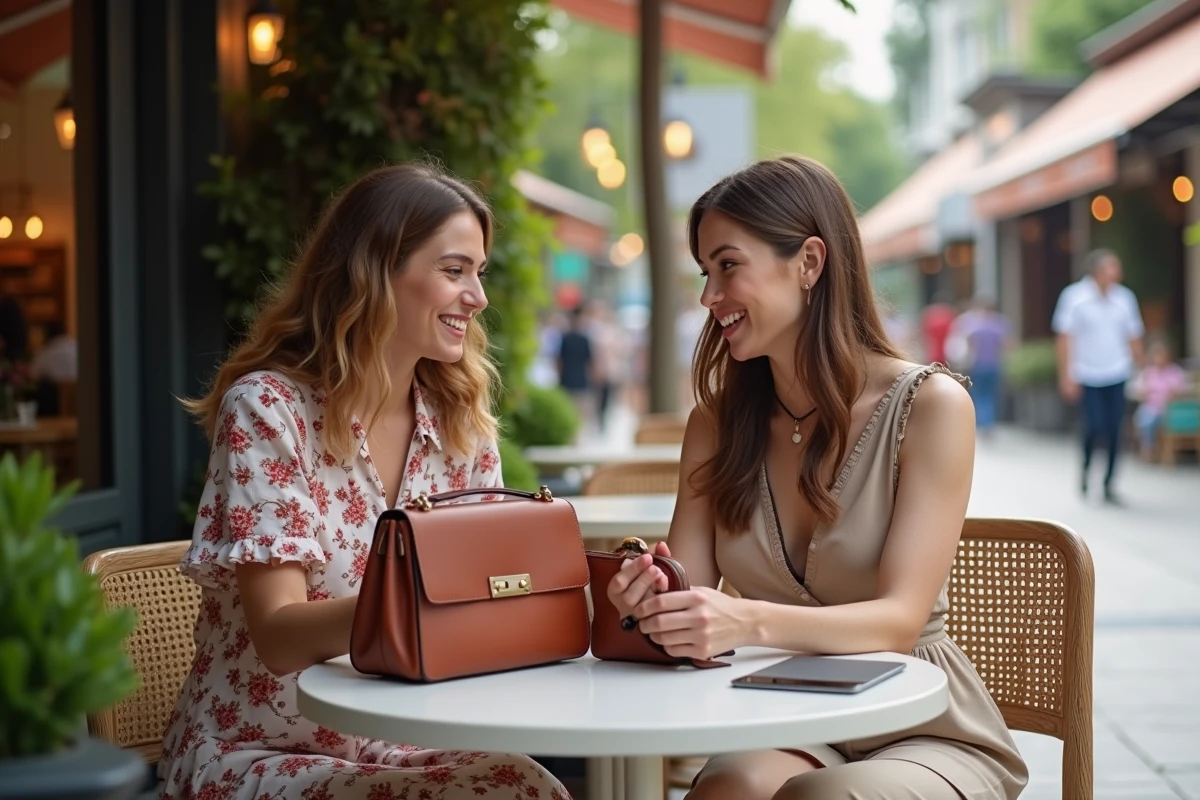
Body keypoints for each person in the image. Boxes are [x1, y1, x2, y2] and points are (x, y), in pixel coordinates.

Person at [606, 156, 1026, 800]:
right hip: (784, 719)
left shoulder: (932, 408)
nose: (708, 296)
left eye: (727, 265)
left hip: (921, 727)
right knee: (729, 787)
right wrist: (650, 602)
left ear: (808, 262)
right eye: (704, 272)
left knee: (821, 799)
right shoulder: (714, 424)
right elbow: (685, 600)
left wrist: (743, 621)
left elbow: (898, 621)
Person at [162, 164, 570, 800]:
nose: (478, 297)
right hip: (260, 750)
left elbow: (483, 615)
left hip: (405, 738)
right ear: (377, 272)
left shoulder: (461, 427)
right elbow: (278, 636)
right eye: (455, 270)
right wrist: (423, 606)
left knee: (531, 787)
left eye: (479, 273)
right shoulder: (269, 411)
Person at [1052, 249, 1144, 502]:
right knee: (1094, 425)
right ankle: (1086, 466)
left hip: (1117, 370)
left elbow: (1133, 336)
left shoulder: (1125, 298)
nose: (1115, 274)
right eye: (1110, 268)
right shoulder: (1074, 297)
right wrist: (1066, 375)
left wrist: (1142, 369)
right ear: (1096, 271)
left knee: (1116, 428)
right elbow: (1064, 338)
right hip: (1087, 373)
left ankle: (1109, 482)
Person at [948, 298, 1012, 436]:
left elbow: (965, 345)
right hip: (994, 364)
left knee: (979, 394)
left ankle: (983, 422)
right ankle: (989, 422)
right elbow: (1007, 345)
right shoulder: (999, 324)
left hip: (977, 364)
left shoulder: (973, 326)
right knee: (991, 394)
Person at [1132, 340, 1188, 461]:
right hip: (1151, 406)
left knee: (1152, 417)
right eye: (1157, 355)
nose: (1160, 359)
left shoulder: (1175, 371)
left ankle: (1150, 448)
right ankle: (1149, 447)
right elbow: (1138, 392)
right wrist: (1145, 393)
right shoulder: (1148, 373)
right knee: (1146, 417)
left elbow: (1182, 391)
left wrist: (1174, 394)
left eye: (1162, 355)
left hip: (1169, 409)